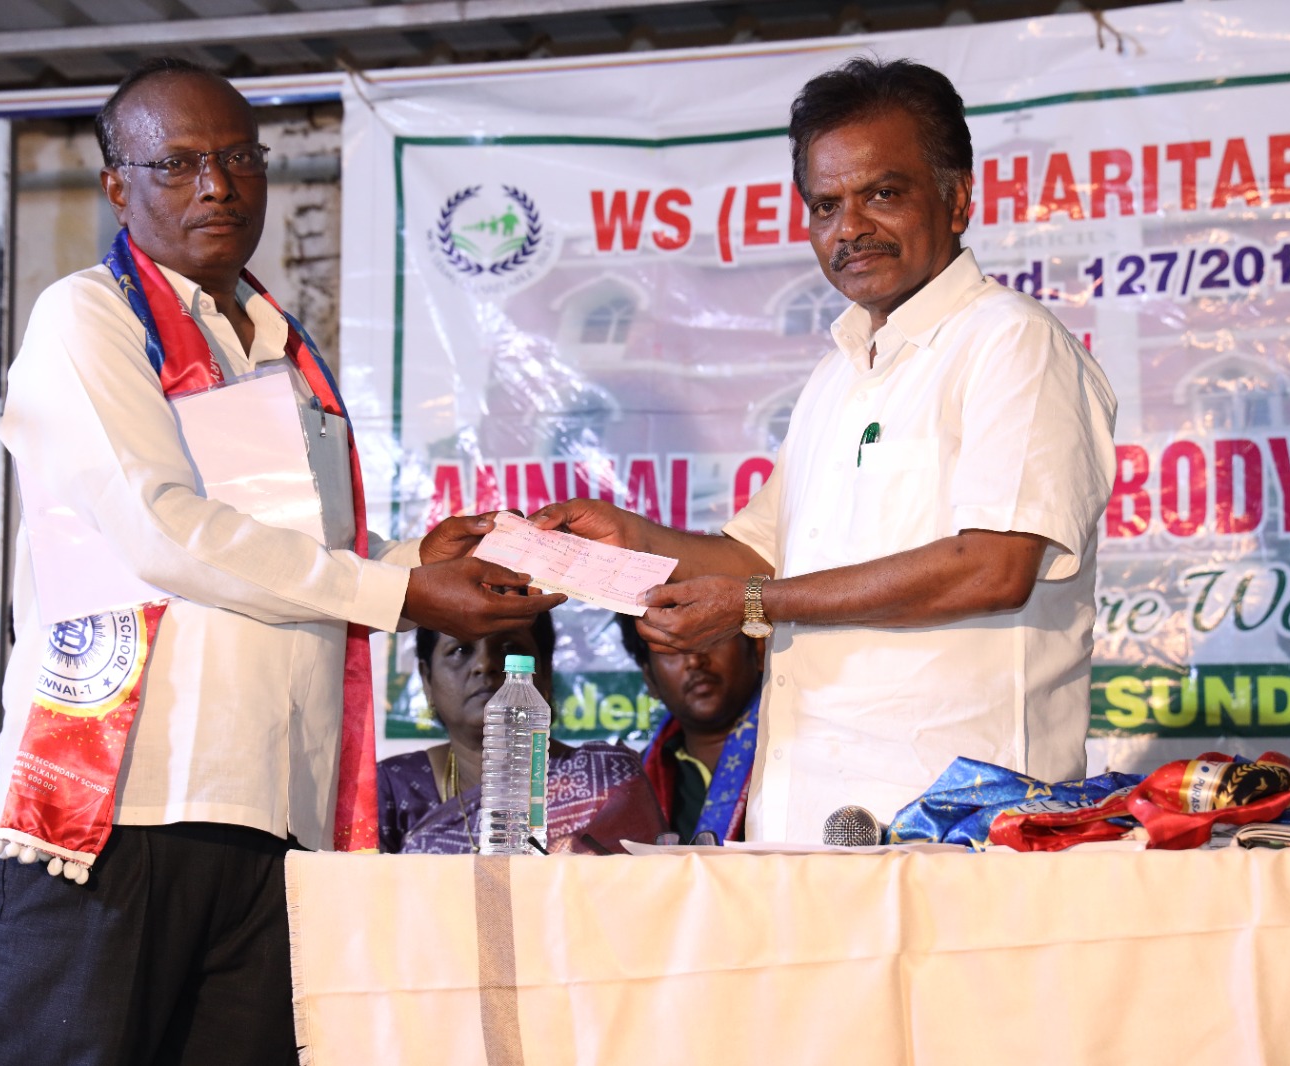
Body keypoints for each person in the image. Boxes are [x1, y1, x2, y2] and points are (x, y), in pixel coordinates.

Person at [0, 58, 560, 1066]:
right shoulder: (88, 317)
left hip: (274, 807)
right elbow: (162, 530)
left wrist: (419, 557)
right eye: (179, 163)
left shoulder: (281, 345)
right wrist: (401, 590)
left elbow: (297, 552)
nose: (217, 187)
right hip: (125, 805)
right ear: (116, 186)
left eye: (238, 158)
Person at [533, 57, 1117, 842]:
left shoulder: (1011, 343)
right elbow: (757, 556)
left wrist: (753, 604)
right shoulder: (837, 376)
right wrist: (630, 539)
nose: (851, 228)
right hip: (809, 816)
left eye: (883, 194)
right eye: (826, 205)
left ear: (957, 198)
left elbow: (994, 566)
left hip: (961, 821)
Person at [377, 613, 665, 854]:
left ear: (545, 670)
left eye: (510, 648)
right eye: (461, 650)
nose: (485, 664)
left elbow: (645, 895)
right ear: (427, 678)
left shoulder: (607, 780)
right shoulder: (394, 787)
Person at [617, 616, 761, 843]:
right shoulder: (634, 787)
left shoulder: (802, 753)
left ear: (757, 648)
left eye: (711, 636)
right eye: (670, 648)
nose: (694, 660)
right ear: (650, 679)